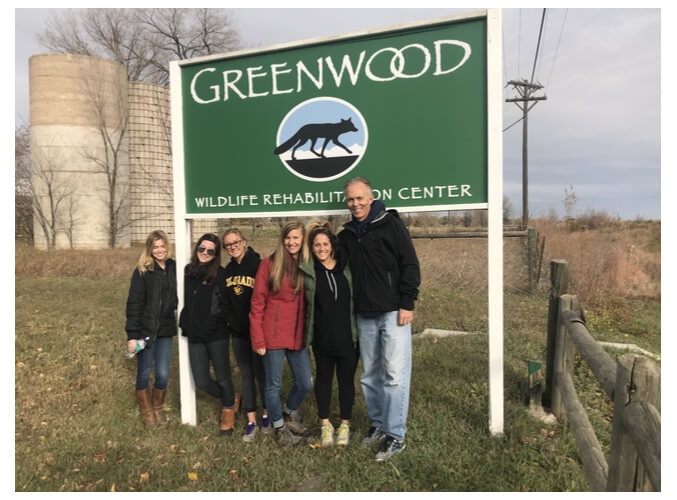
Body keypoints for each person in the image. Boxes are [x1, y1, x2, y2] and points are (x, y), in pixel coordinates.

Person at [338, 177, 421, 461]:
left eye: (360, 198)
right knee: (370, 375)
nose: (355, 204)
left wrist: (407, 302)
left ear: (371, 199)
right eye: (350, 199)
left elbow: (409, 263)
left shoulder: (391, 225)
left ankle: (396, 436)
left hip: (393, 312)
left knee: (395, 376)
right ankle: (378, 425)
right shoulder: (347, 235)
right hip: (363, 314)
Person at [249, 221, 313, 447]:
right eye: (288, 237)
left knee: (305, 382)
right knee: (272, 385)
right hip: (272, 335)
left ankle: (289, 414)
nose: (291, 242)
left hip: (298, 335)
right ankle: (279, 428)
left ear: (303, 240)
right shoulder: (269, 264)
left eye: (296, 237)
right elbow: (257, 303)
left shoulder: (308, 264)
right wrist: (258, 338)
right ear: (282, 239)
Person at [299, 221, 358, 447]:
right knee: (323, 380)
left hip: (348, 336)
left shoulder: (346, 267)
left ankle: (344, 424)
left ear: (332, 245)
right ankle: (325, 424)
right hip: (322, 338)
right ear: (311, 248)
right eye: (316, 245)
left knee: (346, 381)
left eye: (325, 244)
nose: (321, 248)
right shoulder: (309, 271)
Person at [179, 233, 240, 436]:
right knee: (202, 381)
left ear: (215, 254)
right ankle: (232, 398)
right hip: (195, 335)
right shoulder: (188, 272)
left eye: (210, 251)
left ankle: (228, 411)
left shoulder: (220, 275)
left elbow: (225, 307)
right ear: (197, 249)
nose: (205, 253)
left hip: (216, 335)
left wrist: (210, 325)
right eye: (201, 249)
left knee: (223, 377)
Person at [222, 228, 271, 442]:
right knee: (246, 374)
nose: (233, 247)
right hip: (239, 332)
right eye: (228, 244)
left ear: (244, 242)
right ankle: (251, 420)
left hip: (258, 331)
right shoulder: (228, 271)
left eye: (236, 242)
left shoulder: (258, 265)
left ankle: (267, 414)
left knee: (262, 374)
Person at [125, 230, 177, 428]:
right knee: (145, 371)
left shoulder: (173, 267)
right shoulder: (142, 271)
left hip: (165, 329)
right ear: (149, 249)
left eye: (162, 246)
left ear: (167, 247)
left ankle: (157, 408)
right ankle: (147, 412)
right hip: (145, 331)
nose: (159, 250)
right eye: (155, 247)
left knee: (163, 373)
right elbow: (134, 304)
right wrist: (132, 336)